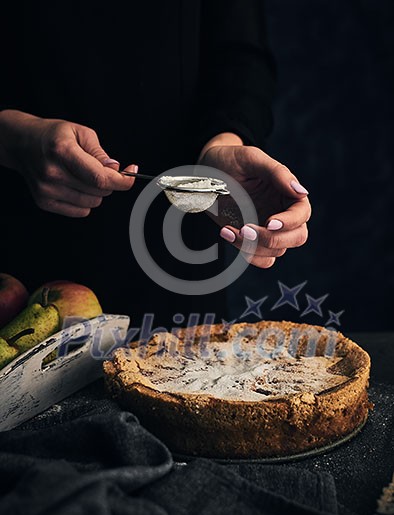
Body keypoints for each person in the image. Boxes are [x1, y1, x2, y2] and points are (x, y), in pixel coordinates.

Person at [0, 0, 311, 328]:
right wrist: (11, 138)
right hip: (20, 270)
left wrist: (224, 143)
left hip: (177, 261)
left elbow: (239, 53)